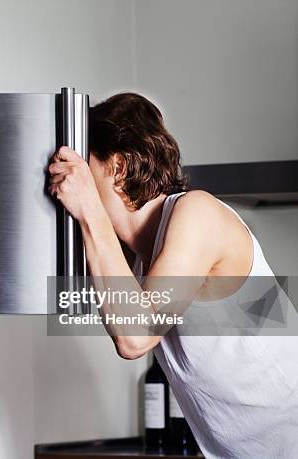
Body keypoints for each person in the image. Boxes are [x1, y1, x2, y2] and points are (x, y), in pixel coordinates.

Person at [48, 93, 298, 458]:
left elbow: (136, 336)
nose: (76, 180)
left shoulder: (198, 212)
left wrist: (89, 209)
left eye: (86, 166)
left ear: (116, 167)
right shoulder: (133, 260)